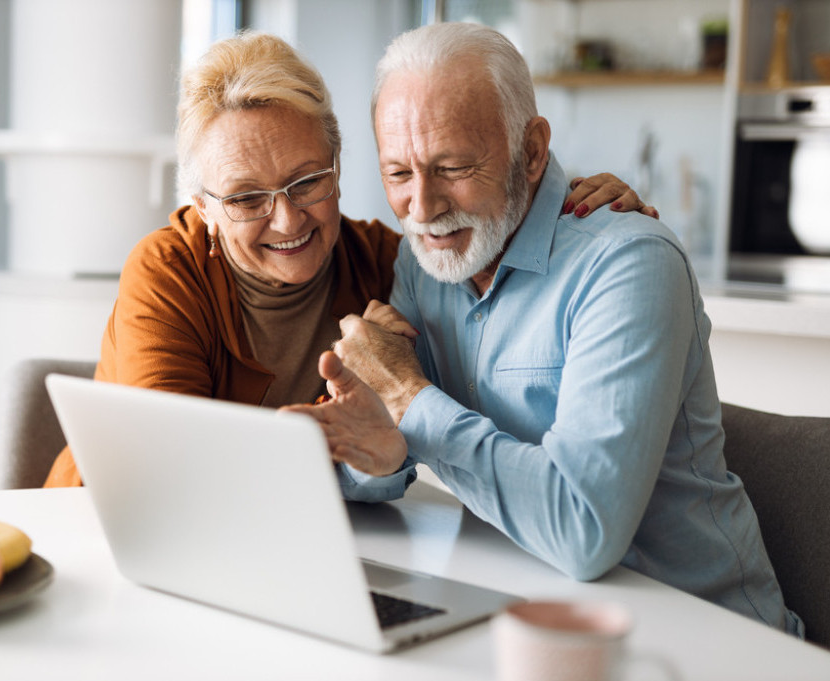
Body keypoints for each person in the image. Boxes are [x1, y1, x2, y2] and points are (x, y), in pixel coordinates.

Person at [284, 22, 802, 636]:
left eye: (453, 166)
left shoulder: (628, 263)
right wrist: (371, 451)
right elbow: (389, 449)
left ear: (531, 152)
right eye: (398, 174)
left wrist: (408, 399)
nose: (421, 208)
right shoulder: (425, 263)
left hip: (710, 638)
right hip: (526, 617)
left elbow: (584, 532)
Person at [43, 31, 651, 491]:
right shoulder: (167, 271)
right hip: (105, 528)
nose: (288, 220)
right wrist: (342, 416)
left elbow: (496, 225)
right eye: (247, 199)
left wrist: (565, 199)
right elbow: (170, 473)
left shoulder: (390, 264)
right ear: (203, 207)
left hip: (296, 547)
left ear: (337, 166)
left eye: (307, 181)